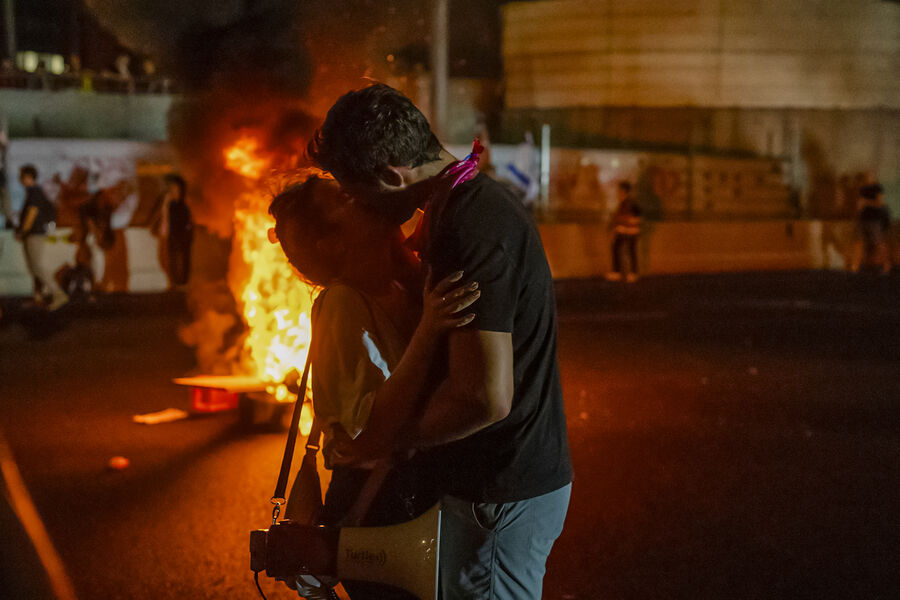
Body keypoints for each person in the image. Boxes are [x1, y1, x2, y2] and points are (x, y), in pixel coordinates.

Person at [309, 83, 573, 600]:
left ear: (390, 176)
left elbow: (483, 396)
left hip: (497, 491)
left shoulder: (469, 225)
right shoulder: (463, 206)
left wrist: (387, 439)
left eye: (357, 193)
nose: (357, 206)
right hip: (498, 486)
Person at [268, 174, 480, 599]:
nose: (361, 194)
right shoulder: (342, 304)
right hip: (380, 503)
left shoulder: (396, 287)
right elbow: (366, 429)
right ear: (331, 242)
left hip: (405, 493)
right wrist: (428, 331)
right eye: (344, 197)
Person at [15, 165, 68, 310]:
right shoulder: (33, 192)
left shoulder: (35, 192)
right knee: (33, 267)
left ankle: (58, 294)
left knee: (37, 267)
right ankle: (38, 297)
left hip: (34, 234)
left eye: (21, 176)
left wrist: (23, 231)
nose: (19, 179)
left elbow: (32, 213)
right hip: (33, 234)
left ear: (27, 177)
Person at [151, 174, 193, 287]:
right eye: (172, 190)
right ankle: (175, 283)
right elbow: (156, 225)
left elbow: (186, 227)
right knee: (166, 263)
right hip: (168, 240)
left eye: (176, 191)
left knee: (174, 266)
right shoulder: (164, 203)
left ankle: (177, 283)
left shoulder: (183, 208)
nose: (174, 194)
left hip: (177, 242)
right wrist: (164, 206)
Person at [606, 180, 642, 282]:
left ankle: (627, 273)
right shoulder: (626, 202)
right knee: (621, 249)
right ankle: (623, 272)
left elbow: (635, 217)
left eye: (620, 190)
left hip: (629, 231)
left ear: (624, 191)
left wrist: (621, 221)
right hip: (625, 231)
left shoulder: (629, 202)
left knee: (628, 251)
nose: (618, 192)